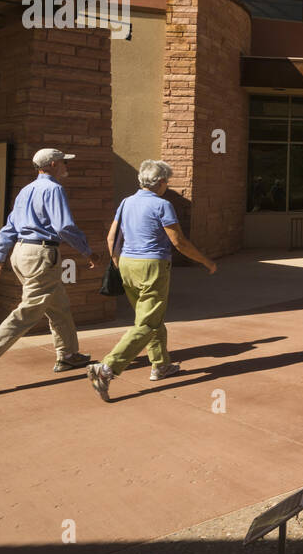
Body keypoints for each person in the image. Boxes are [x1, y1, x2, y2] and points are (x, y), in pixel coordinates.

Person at [0, 148, 96, 396]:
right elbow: (64, 226)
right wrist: (87, 251)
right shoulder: (53, 189)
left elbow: (9, 227)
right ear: (52, 164)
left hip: (22, 253)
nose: (66, 166)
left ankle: (68, 355)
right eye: (63, 162)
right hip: (41, 254)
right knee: (28, 312)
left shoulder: (26, 191)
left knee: (58, 305)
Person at [87, 160, 217, 402]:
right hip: (152, 267)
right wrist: (205, 261)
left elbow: (111, 237)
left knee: (150, 317)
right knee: (147, 324)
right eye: (166, 180)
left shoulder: (126, 202)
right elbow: (179, 242)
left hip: (127, 264)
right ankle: (106, 368)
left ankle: (161, 365)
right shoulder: (163, 205)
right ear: (161, 182)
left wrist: (118, 263)